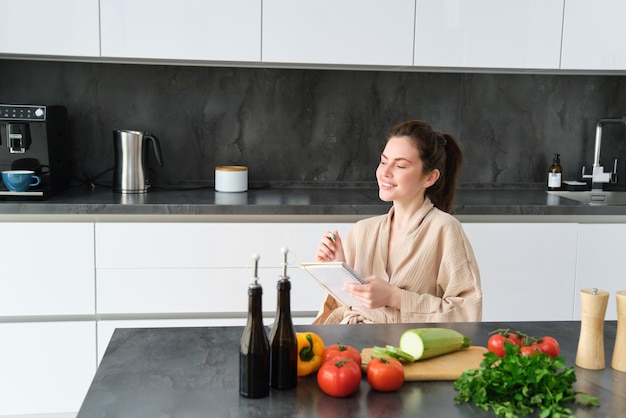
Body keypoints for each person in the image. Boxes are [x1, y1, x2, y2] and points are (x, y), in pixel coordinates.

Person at [313, 120, 482, 324]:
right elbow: (344, 309)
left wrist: (395, 297)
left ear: (429, 178)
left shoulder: (444, 229)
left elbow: (467, 313)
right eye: (384, 161)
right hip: (354, 347)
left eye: (400, 165)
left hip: (411, 352)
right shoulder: (362, 231)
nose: (385, 172)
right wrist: (339, 271)